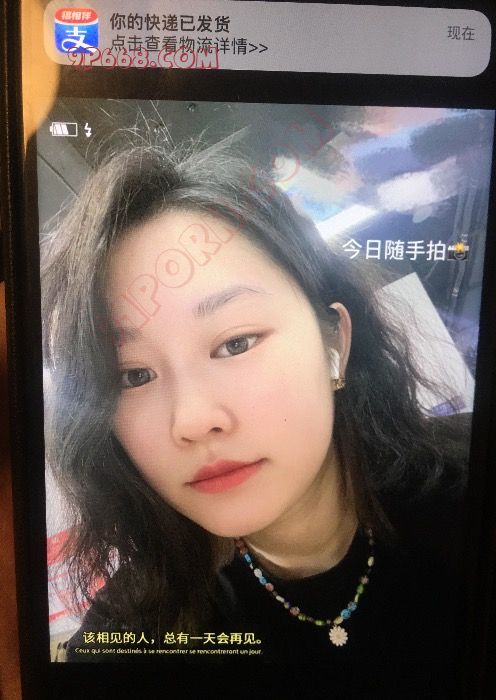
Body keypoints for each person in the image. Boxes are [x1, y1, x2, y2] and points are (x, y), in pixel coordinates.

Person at [41, 141, 468, 691]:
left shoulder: (476, 484)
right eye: (134, 375)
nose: (192, 420)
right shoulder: (142, 630)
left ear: (334, 341)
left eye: (236, 343)